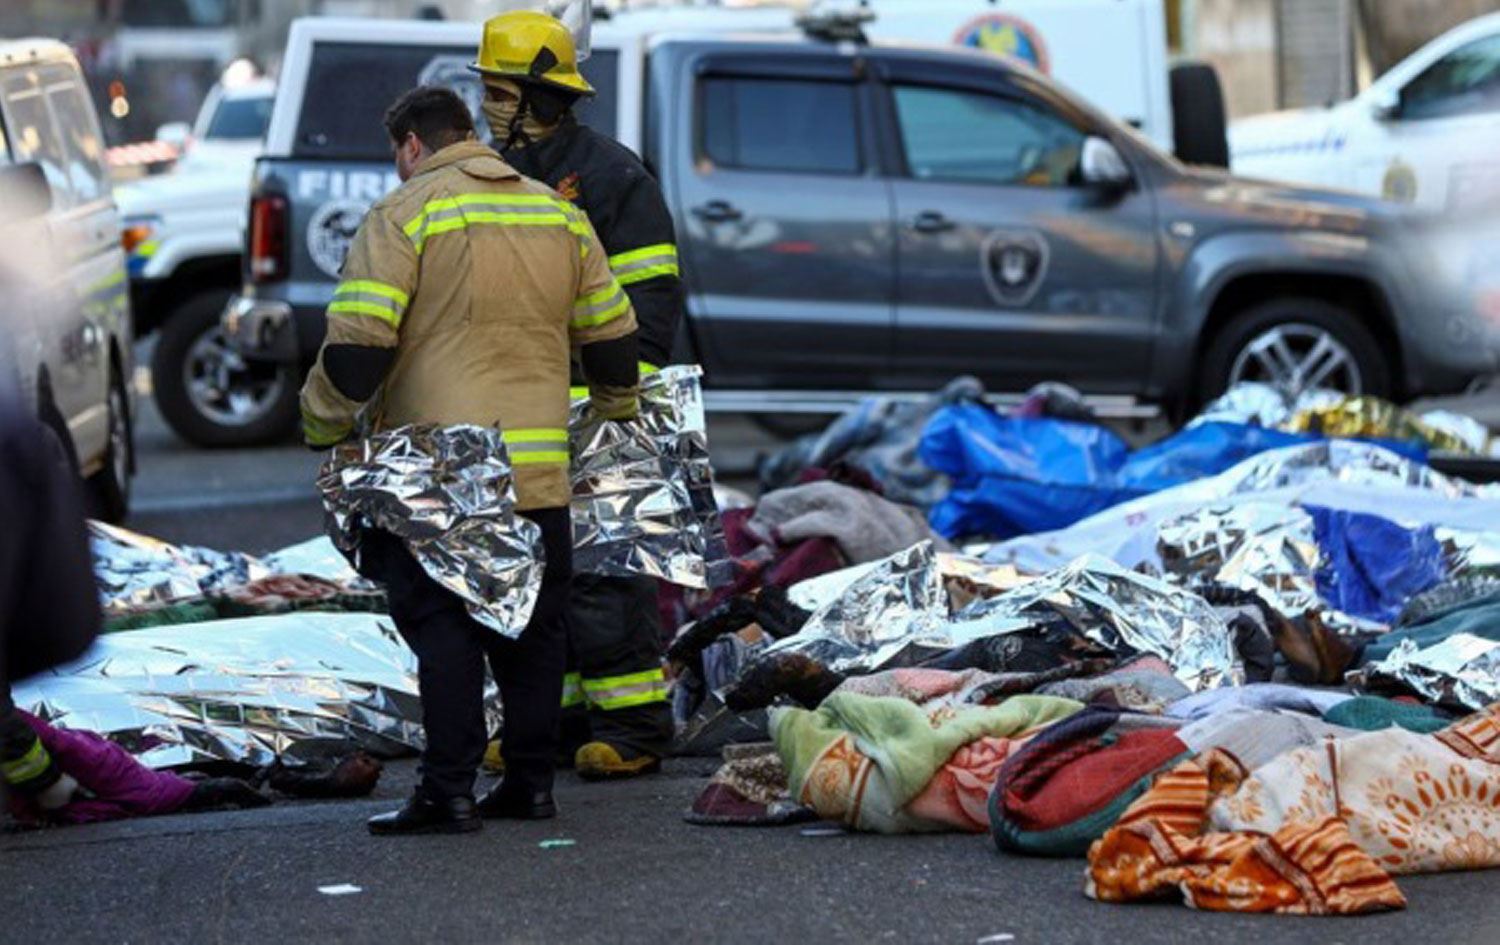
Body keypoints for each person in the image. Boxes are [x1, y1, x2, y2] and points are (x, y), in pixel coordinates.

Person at [299, 86, 640, 835]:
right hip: (537, 470)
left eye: (399, 157)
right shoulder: (557, 213)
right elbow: (614, 337)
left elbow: (357, 349)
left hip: (440, 475)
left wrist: (321, 419)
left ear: (413, 145)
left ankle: (446, 791)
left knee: (444, 624)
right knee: (533, 629)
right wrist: (617, 407)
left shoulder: (406, 214)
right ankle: (528, 784)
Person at [472, 10, 683, 780]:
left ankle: (632, 726)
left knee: (602, 567)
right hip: (520, 405)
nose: (489, 107)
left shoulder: (608, 177)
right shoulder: (493, 173)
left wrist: (615, 392)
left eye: (499, 93)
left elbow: (650, 301)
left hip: (601, 405)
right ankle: (552, 721)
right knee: (531, 567)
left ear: (538, 96)